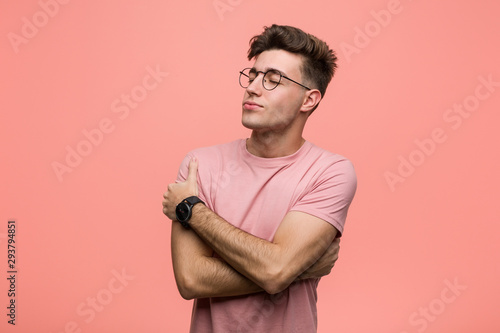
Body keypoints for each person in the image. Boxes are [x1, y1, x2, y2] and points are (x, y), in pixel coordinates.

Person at [162, 24, 357, 333]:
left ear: (309, 100)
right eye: (252, 75)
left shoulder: (330, 172)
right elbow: (191, 280)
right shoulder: (201, 165)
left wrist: (192, 210)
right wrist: (300, 269)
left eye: (273, 80)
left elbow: (275, 271)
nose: (252, 87)